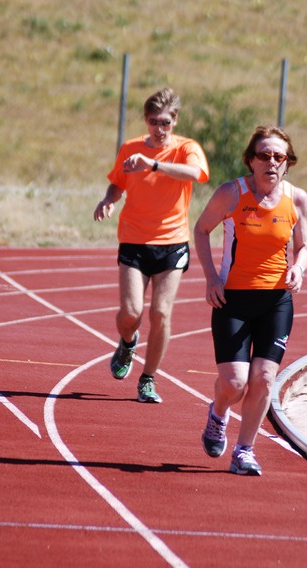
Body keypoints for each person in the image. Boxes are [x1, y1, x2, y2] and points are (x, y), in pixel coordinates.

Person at [194, 125, 307, 475]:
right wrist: (211, 277)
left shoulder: (297, 199)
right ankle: (218, 413)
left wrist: (300, 269)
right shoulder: (232, 193)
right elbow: (201, 230)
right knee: (234, 383)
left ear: (288, 163)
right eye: (264, 155)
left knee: (263, 380)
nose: (271, 162)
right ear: (250, 160)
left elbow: (304, 247)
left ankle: (244, 450)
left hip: (276, 302)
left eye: (279, 156)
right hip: (233, 300)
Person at [94, 87, 209, 403]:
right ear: (146, 121)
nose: (160, 129)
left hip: (172, 241)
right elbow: (118, 181)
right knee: (130, 312)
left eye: (166, 123)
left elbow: (197, 174)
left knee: (160, 312)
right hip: (134, 238)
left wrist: (153, 164)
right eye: (154, 122)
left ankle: (147, 380)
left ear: (175, 121)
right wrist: (108, 199)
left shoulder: (186, 148)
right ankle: (127, 342)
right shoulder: (130, 148)